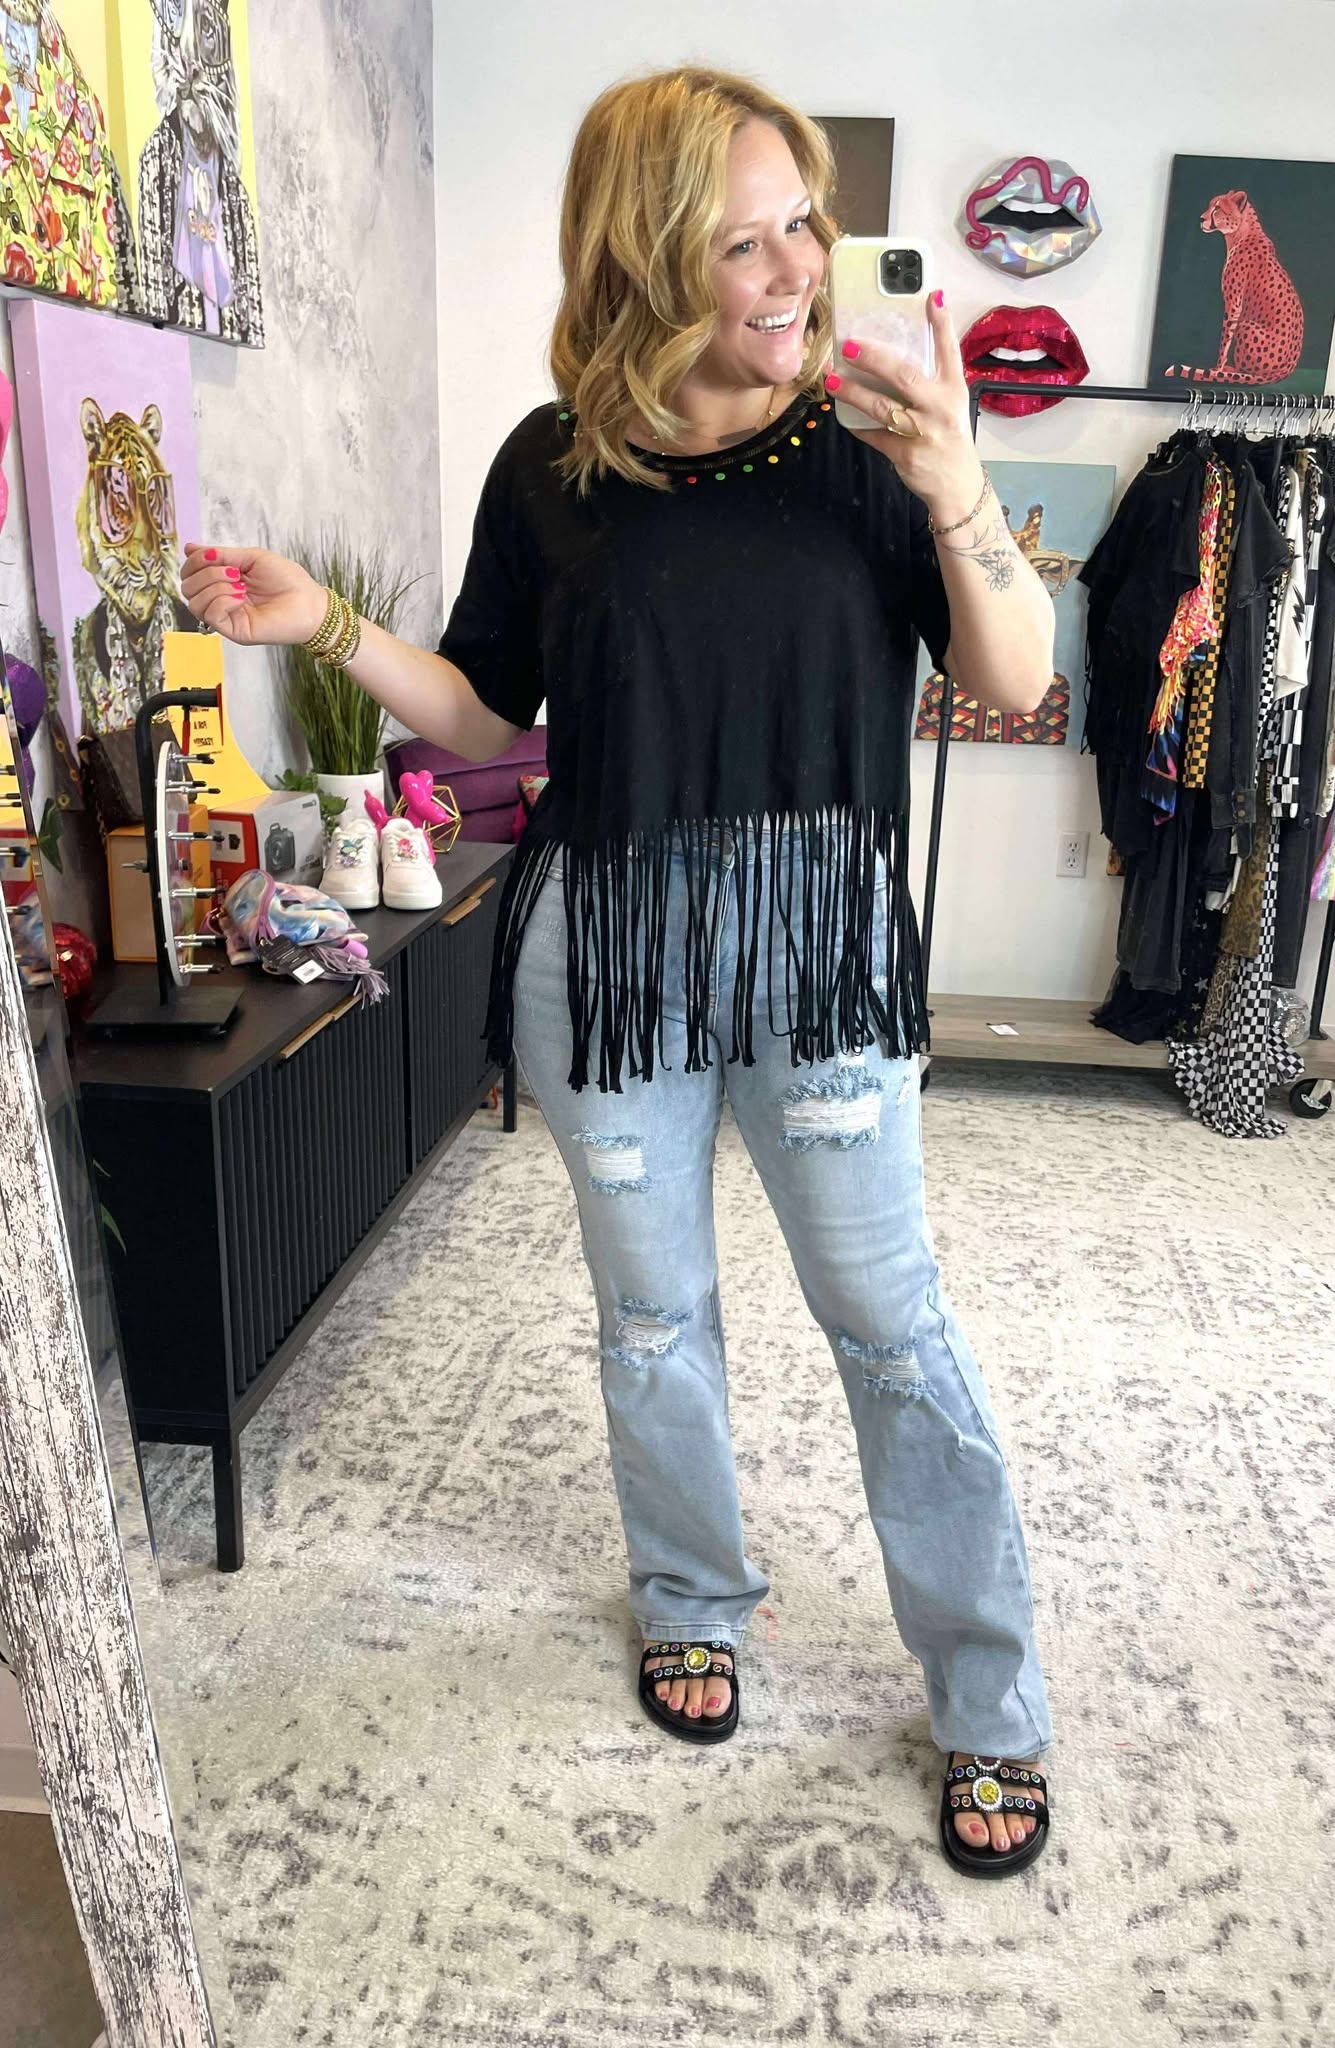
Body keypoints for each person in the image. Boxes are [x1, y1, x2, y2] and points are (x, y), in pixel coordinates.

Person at [179, 65, 1059, 1878]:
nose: (792, 270)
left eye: (802, 225)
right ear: (645, 257)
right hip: (611, 945)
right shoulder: (553, 461)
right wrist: (325, 628)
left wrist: (961, 483)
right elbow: (487, 711)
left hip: (817, 946)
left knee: (889, 1325)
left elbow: (1016, 680)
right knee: (653, 1321)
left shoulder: (872, 444)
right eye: (741, 243)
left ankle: (988, 1689)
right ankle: (691, 1595)